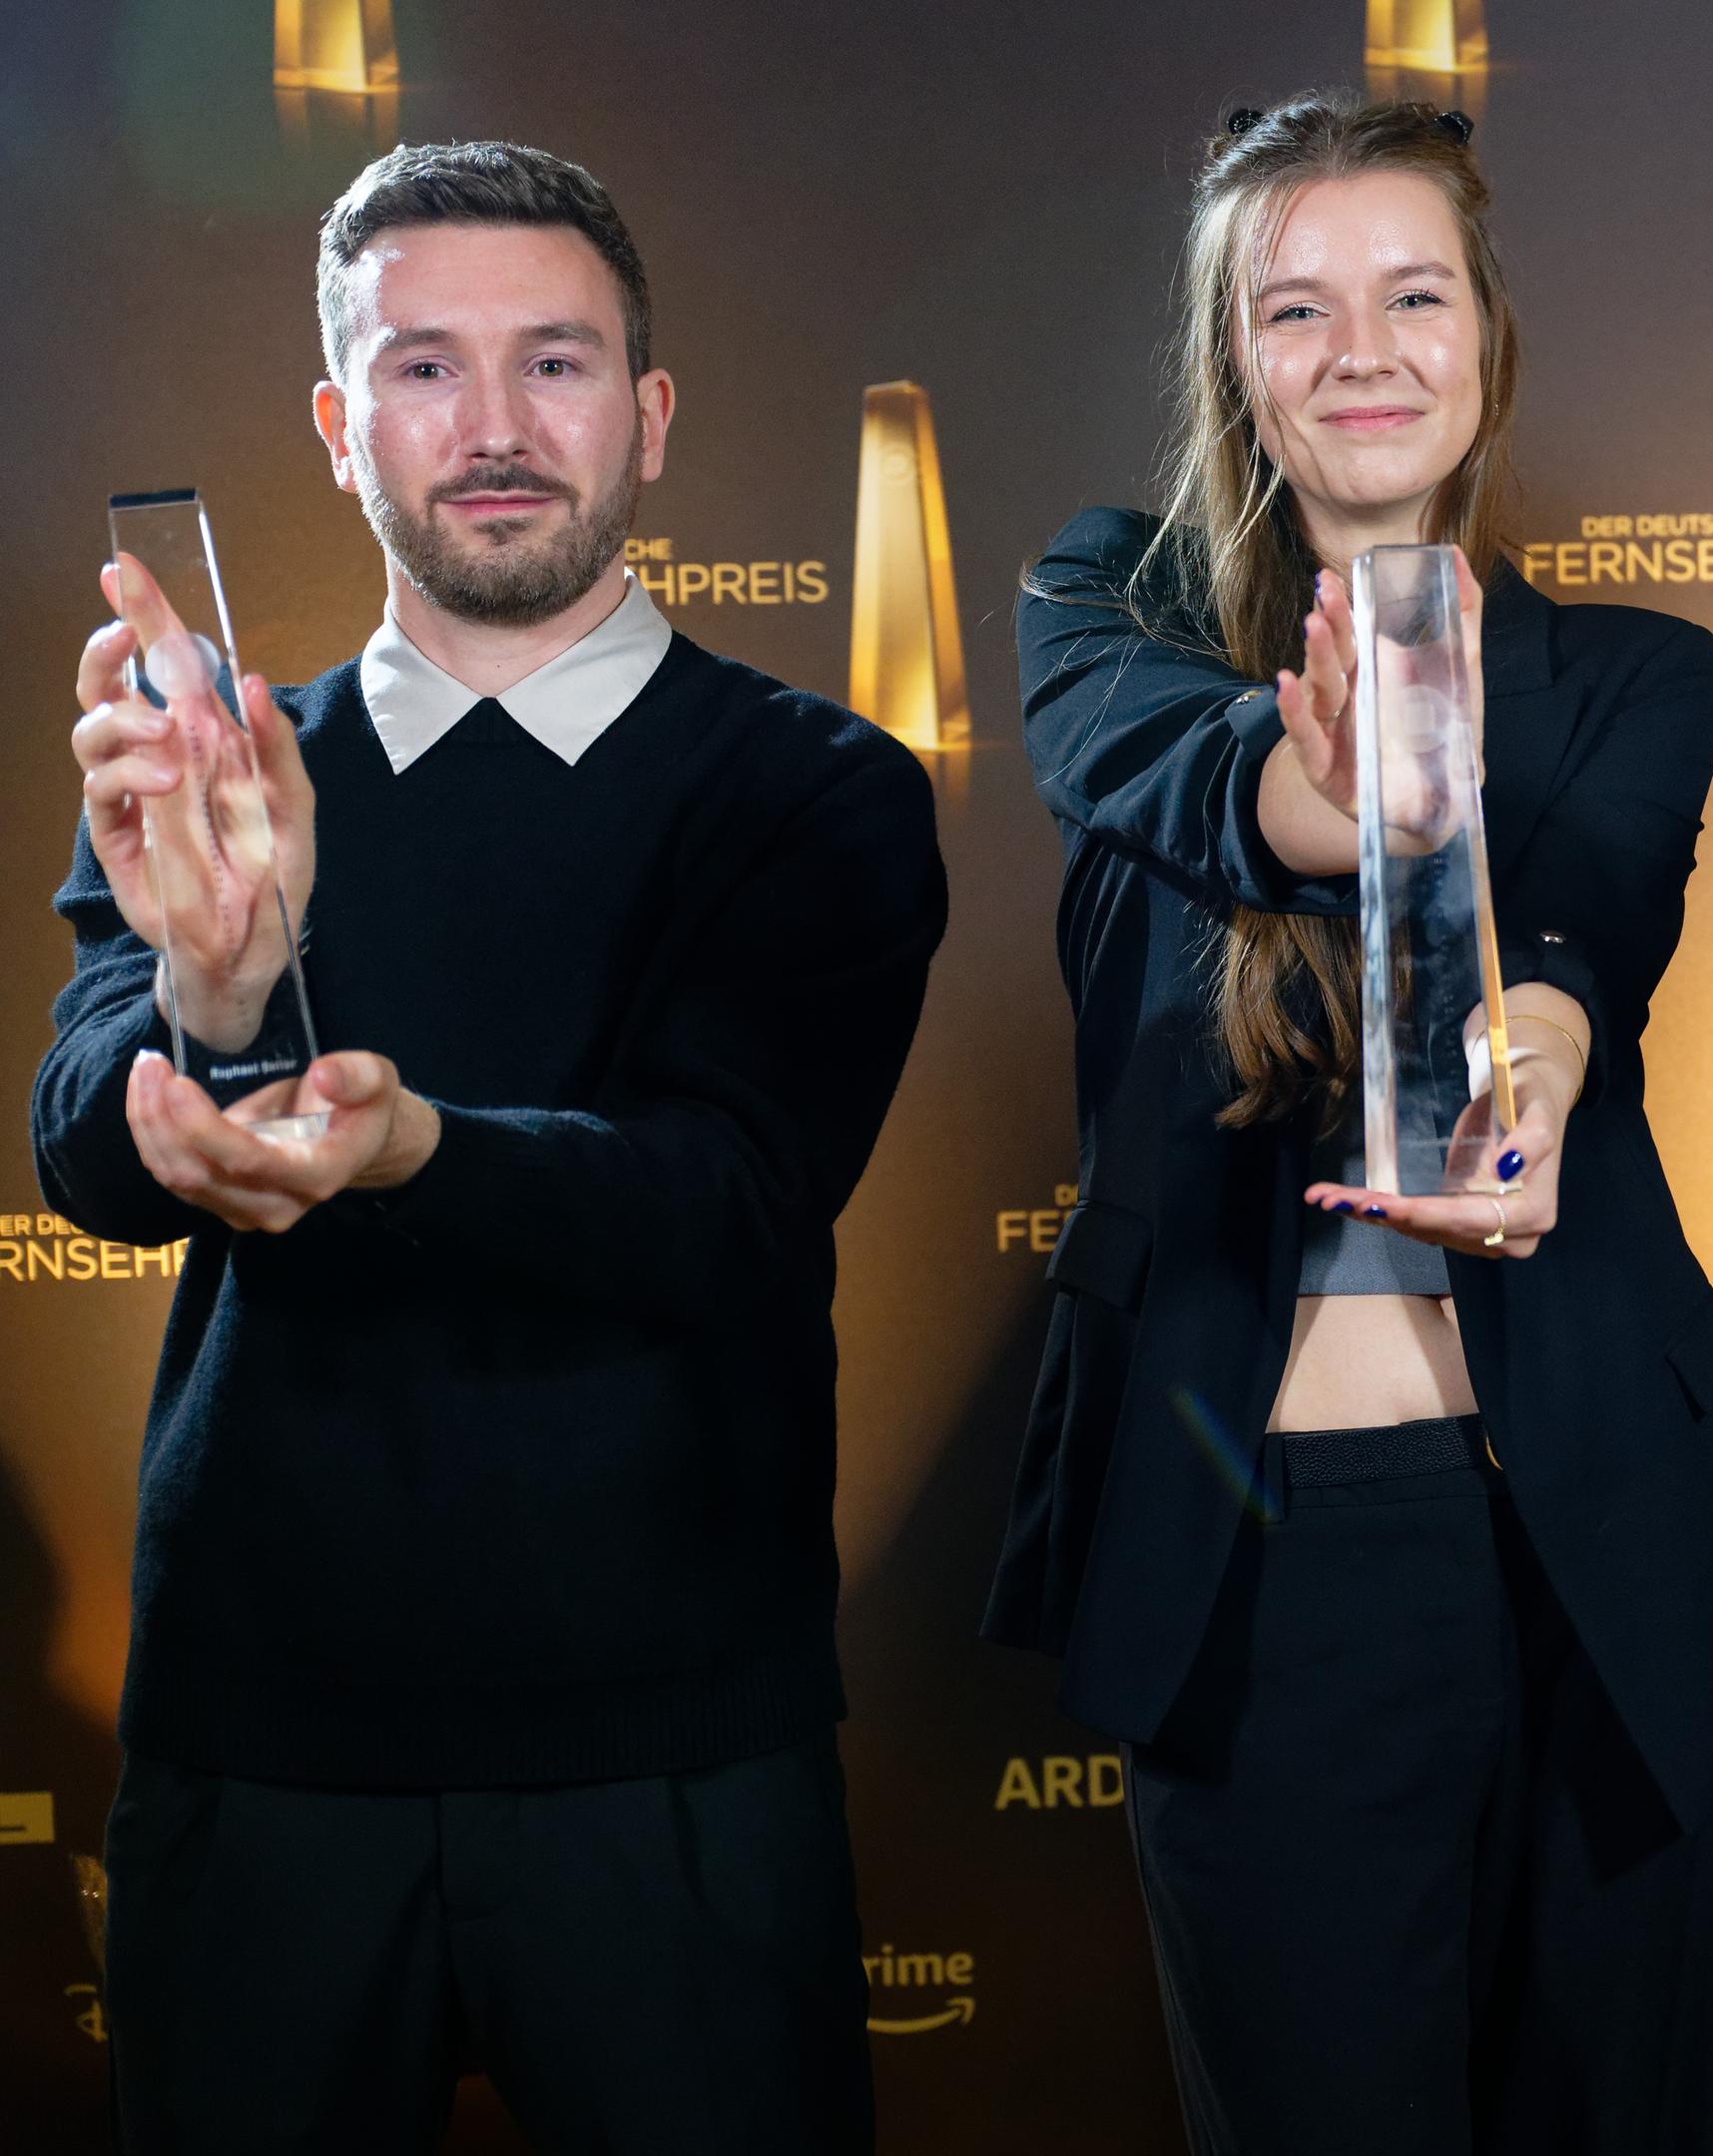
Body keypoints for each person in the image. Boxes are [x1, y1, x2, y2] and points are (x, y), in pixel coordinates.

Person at [36, 142, 944, 2151]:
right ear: (338, 425)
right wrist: (210, 994)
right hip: (260, 1747)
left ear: (651, 414)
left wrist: (413, 1146)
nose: (501, 426)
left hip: (679, 1750)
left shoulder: (815, 791)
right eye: (427, 369)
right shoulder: (217, 771)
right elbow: (84, 1156)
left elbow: (729, 1203)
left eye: (558, 362)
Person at [980, 94, 1713, 2154]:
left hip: (1615, 1550)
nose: (1363, 349)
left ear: (1486, 336)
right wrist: (1324, 799)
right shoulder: (1105, 608)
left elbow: (1589, 928)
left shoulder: (1641, 671)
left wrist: (1523, 1076)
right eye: (1299, 308)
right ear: (1236, 363)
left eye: (1411, 293)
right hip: (1268, 1563)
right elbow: (1171, 777)